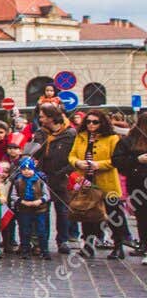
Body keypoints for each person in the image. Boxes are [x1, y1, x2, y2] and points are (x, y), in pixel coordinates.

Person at [69, 110, 129, 258]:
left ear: (102, 123)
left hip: (107, 182)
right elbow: (72, 155)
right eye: (88, 121)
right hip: (87, 181)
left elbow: (116, 160)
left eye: (95, 122)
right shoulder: (81, 137)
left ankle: (118, 246)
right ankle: (88, 246)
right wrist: (77, 162)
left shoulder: (112, 138)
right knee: (87, 213)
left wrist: (98, 164)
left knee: (114, 214)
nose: (91, 125)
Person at [33, 103, 77, 254]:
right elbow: (34, 152)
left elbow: (75, 155)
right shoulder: (40, 133)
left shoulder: (70, 133)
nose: (40, 118)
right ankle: (41, 241)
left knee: (63, 210)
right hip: (43, 177)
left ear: (51, 117)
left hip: (61, 177)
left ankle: (63, 240)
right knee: (42, 210)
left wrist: (65, 172)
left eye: (42, 116)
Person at [9, 156, 52, 259]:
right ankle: (25, 250)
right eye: (24, 169)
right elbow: (13, 196)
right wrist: (22, 201)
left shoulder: (40, 181)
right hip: (24, 209)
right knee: (25, 230)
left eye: (29, 169)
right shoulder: (18, 182)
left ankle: (44, 250)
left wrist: (39, 201)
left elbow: (47, 195)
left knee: (41, 230)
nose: (27, 171)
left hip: (39, 209)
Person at [118, 112, 147, 257]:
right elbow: (119, 161)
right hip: (137, 183)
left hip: (138, 183)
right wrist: (137, 160)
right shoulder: (130, 141)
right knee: (141, 215)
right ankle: (143, 243)